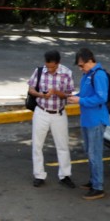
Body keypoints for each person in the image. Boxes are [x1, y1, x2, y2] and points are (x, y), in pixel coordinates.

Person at [27, 50, 76, 188]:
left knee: (63, 145)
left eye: (52, 67)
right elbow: (31, 89)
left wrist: (56, 92)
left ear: (58, 63)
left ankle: (65, 175)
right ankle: (39, 175)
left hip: (58, 113)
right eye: (47, 66)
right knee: (37, 145)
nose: (49, 69)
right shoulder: (39, 71)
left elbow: (68, 95)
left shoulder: (67, 73)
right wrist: (41, 95)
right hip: (41, 111)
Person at [67, 47, 110, 200]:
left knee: (95, 153)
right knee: (89, 152)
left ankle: (98, 187)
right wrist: (75, 97)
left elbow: (101, 98)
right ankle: (93, 181)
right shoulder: (88, 75)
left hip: (96, 120)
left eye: (81, 65)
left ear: (90, 61)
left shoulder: (98, 75)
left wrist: (80, 100)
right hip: (87, 119)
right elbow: (85, 94)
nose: (80, 68)